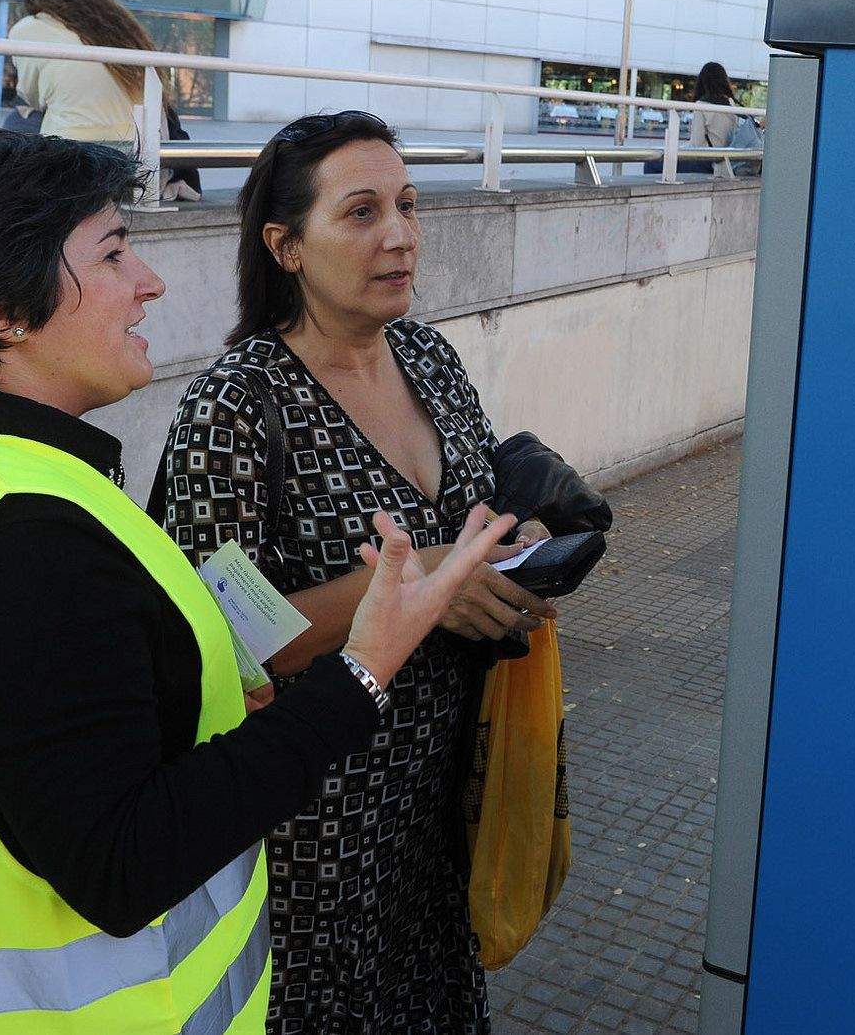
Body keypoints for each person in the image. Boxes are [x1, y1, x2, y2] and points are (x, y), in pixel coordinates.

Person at [0, 127, 513, 1034]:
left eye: (407, 205)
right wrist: (363, 667)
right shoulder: (23, 537)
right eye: (113, 253)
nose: (148, 282)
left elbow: (74, 721)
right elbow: (123, 860)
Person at [158, 111, 558, 1035]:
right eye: (363, 211)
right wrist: (419, 590)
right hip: (313, 832)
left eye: (408, 206)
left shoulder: (427, 355)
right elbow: (218, 646)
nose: (402, 235)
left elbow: (474, 510)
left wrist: (518, 539)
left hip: (440, 807)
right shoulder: (235, 405)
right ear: (286, 246)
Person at [9, 0, 199, 198]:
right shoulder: (118, 23)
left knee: (17, 120)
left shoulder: (29, 28)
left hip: (75, 162)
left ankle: (19, 200)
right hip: (141, 163)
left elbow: (31, 96)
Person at [692, 60, 742, 177]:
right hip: (727, 160)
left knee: (654, 164)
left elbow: (696, 143)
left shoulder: (701, 105)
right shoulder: (731, 102)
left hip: (708, 161)